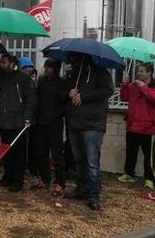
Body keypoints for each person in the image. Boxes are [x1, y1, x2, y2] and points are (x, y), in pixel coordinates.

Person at [64, 53, 114, 211]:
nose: (73, 64)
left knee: (91, 161)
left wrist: (83, 96)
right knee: (79, 160)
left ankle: (94, 195)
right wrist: (69, 92)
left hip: (93, 124)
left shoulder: (101, 73)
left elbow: (107, 90)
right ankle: (81, 189)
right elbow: (66, 91)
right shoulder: (74, 74)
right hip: (74, 123)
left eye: (77, 60)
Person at [0, 54, 37, 192]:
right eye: (0, 62)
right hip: (4, 121)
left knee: (19, 153)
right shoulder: (1, 78)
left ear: (12, 63)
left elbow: (31, 100)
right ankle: (7, 177)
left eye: (4, 62)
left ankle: (18, 181)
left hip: (18, 122)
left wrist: (27, 118)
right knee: (6, 151)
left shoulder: (23, 79)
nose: (1, 65)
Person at [117, 63, 155, 189]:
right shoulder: (133, 86)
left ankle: (149, 178)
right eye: (138, 71)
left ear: (149, 72)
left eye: (142, 71)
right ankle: (129, 174)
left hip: (148, 127)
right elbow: (124, 98)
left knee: (148, 155)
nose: (139, 74)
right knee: (131, 152)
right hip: (133, 125)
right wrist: (125, 86)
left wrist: (144, 88)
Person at [34, 59, 69, 195]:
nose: (47, 69)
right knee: (41, 153)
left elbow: (64, 101)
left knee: (56, 154)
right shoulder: (41, 82)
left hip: (54, 123)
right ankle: (44, 178)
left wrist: (56, 114)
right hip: (41, 122)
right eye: (46, 67)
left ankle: (60, 182)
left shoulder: (62, 83)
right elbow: (37, 100)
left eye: (50, 67)